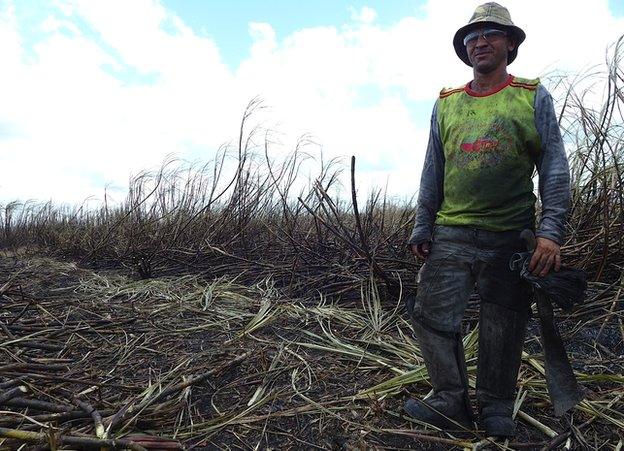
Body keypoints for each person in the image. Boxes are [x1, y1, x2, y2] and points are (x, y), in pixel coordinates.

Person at [405, 2, 570, 438]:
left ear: (510, 45)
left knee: (504, 318)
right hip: (451, 231)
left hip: (508, 235)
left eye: (491, 34)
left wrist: (549, 234)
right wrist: (423, 226)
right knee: (432, 315)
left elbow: (554, 166)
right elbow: (432, 169)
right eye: (471, 37)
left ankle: (496, 405)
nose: (479, 41)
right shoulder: (447, 104)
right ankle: (449, 400)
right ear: (465, 49)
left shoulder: (531, 96)